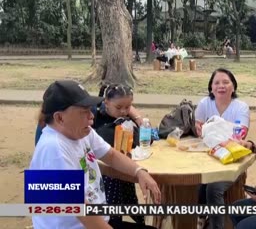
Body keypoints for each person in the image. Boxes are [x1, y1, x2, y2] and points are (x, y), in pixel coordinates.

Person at [30, 80, 161, 229]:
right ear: (60, 118)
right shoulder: (52, 148)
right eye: (84, 112)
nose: (91, 117)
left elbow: (110, 154)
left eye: (90, 110)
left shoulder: (82, 132)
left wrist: (139, 171)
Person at [194, 68, 250, 229]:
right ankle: (202, 217)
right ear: (211, 87)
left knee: (213, 188)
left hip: (231, 160)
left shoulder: (241, 107)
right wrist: (202, 130)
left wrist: (213, 132)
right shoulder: (205, 104)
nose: (221, 86)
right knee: (198, 182)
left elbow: (240, 136)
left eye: (226, 82)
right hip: (207, 158)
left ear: (233, 86)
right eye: (216, 83)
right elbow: (199, 129)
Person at [93, 84, 146, 226]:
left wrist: (140, 121)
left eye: (127, 107)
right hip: (104, 174)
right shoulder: (94, 120)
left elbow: (146, 137)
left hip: (122, 167)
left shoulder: (128, 119)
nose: (123, 111)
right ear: (106, 103)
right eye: (118, 107)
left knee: (129, 196)